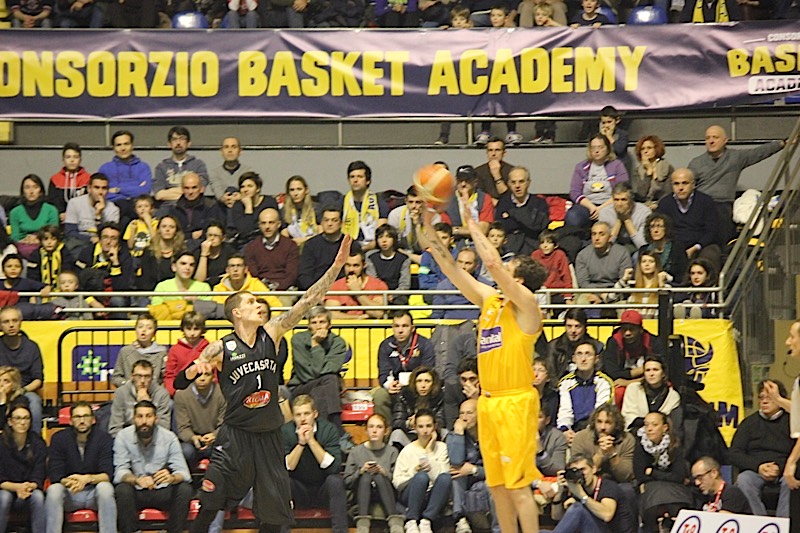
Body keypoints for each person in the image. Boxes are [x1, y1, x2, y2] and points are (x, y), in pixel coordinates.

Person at [174, 233, 352, 533]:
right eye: (251, 301)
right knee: (210, 503)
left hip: (269, 437)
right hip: (235, 436)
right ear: (237, 313)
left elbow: (308, 300)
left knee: (273, 515)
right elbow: (181, 381)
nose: (258, 305)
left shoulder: (272, 332)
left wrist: (336, 267)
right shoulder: (220, 348)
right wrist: (195, 370)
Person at [417, 188, 548, 533]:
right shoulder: (491, 301)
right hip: (488, 404)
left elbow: (491, 263)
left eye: (509, 267)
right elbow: (450, 268)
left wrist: (471, 222)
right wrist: (428, 224)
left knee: (518, 487)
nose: (501, 269)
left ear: (519, 280)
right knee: (497, 486)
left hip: (516, 402)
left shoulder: (528, 307)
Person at [113, 400, 194, 533]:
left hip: (162, 490)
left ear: (156, 419)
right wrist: (136, 480)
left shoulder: (169, 437)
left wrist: (172, 478)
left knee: (184, 489)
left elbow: (184, 473)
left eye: (149, 416)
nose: (144, 421)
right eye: (140, 416)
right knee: (122, 489)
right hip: (137, 491)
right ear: (133, 419)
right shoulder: (123, 436)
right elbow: (120, 471)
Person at [46, 401, 116, 533]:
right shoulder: (59, 438)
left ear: (93, 419)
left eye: (86, 416)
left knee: (106, 488)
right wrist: (74, 481)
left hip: (93, 494)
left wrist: (87, 479)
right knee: (54, 490)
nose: (82, 421)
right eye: (77, 417)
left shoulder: (104, 438)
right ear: (71, 421)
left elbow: (107, 474)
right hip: (70, 492)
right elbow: (55, 474)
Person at [281, 394, 348, 533]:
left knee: (335, 481)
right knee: (282, 482)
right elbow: (286, 468)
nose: (303, 419)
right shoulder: (286, 432)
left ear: (315, 414)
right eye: (298, 415)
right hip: (299, 490)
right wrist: (301, 444)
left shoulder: (328, 429)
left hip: (323, 489)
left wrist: (311, 441)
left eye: (306, 413)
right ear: (293, 417)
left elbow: (334, 467)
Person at [729, 379, 793, 518]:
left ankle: (783, 524)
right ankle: (760, 522)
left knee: (790, 480)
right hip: (756, 470)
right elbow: (734, 453)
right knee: (744, 479)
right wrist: (758, 467)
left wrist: (779, 467)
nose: (764, 401)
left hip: (784, 469)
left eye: (769, 397)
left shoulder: (791, 421)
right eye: (761, 397)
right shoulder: (749, 423)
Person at [288, 305, 348, 432]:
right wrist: (315, 344)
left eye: (322, 322)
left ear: (329, 325)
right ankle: (337, 430)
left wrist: (315, 348)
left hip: (323, 387)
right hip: (300, 387)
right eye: (314, 322)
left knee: (322, 388)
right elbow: (306, 375)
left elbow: (330, 368)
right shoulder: (298, 339)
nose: (318, 326)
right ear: (308, 325)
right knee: (330, 379)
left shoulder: (338, 343)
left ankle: (321, 433)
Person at [392, 408, 452, 533]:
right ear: (415, 428)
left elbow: (442, 476)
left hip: (434, 495)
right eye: (421, 426)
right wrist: (414, 471)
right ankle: (411, 520)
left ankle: (427, 520)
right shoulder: (408, 450)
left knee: (446, 478)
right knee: (421, 477)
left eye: (428, 426)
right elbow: (397, 482)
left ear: (435, 427)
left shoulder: (442, 447)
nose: (425, 430)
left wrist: (429, 451)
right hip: (411, 493)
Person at [343, 413, 403, 533]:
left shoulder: (392, 451)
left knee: (379, 476)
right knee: (366, 476)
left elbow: (398, 481)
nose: (374, 431)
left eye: (379, 427)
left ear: (386, 431)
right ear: (366, 430)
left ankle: (394, 523)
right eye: (371, 427)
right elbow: (347, 481)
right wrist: (361, 471)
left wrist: (384, 472)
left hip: (386, 492)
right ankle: (362, 523)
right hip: (361, 492)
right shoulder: (356, 451)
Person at [634, 411, 692, 533]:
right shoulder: (640, 444)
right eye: (646, 425)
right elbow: (640, 475)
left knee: (675, 506)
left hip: (675, 489)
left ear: (665, 427)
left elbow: (679, 477)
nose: (649, 429)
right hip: (654, 490)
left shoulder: (675, 444)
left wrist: (653, 473)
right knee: (653, 507)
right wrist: (666, 476)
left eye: (654, 424)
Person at [656, 168, 723, 272]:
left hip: (702, 244)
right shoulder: (664, 203)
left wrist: (696, 247)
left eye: (685, 183)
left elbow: (712, 231)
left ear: (693, 184)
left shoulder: (706, 201)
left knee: (710, 254)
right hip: (675, 245)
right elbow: (663, 230)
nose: (680, 188)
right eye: (676, 184)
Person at [374, 310, 436, 423]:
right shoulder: (385, 345)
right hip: (396, 388)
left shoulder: (425, 344)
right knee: (379, 396)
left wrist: (411, 384)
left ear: (412, 328)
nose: (400, 330)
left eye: (405, 326)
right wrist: (389, 385)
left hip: (418, 387)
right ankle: (387, 430)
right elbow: (383, 372)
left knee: (425, 391)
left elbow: (427, 371)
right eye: (396, 326)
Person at [549, 454, 637, 533]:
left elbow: (607, 515)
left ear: (594, 469)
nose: (580, 474)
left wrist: (582, 496)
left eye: (583, 469)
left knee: (578, 508)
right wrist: (559, 492)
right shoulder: (575, 486)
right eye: (575, 471)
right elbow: (556, 517)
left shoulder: (608, 486)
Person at [566, 134, 629, 231]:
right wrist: (592, 207)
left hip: (610, 204)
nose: (596, 151)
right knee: (573, 216)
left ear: (607, 148)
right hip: (587, 205)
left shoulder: (617, 165)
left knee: (612, 216)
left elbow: (623, 190)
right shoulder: (581, 167)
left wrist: (601, 208)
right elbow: (575, 192)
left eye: (600, 147)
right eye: (593, 148)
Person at [447, 398, 491, 533]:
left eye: (469, 413)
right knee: (456, 473)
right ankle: (460, 519)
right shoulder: (454, 435)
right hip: (465, 481)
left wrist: (474, 470)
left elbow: (499, 469)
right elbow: (456, 461)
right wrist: (459, 433)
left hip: (487, 477)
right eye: (461, 413)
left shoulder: (491, 435)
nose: (464, 418)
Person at [0, 403, 46, 532]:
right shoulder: (1, 443)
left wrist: (28, 486)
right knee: (4, 497)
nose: (22, 422)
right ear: (10, 421)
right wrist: (17, 487)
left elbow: (39, 474)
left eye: (26, 418)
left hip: (29, 490)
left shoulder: (38, 443)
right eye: (18, 418)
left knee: (38, 497)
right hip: (6, 489)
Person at [556, 342, 614, 442]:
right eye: (579, 354)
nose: (583, 359)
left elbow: (601, 414)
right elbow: (565, 411)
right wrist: (565, 430)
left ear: (596, 359)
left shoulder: (604, 382)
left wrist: (583, 435)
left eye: (588, 354)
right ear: (574, 359)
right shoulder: (565, 382)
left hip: (596, 432)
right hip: (572, 432)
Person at [0, 306, 43, 434]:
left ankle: (35, 440)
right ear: (0, 325)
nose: (11, 325)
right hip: (0, 388)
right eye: (6, 321)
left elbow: (38, 380)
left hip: (24, 391)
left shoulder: (32, 347)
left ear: (20, 322)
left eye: (14, 320)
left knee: (34, 401)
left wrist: (21, 390)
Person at [174, 364, 226, 468]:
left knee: (226, 449)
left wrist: (214, 436)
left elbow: (225, 424)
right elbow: (182, 428)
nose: (202, 378)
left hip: (215, 440)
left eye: (207, 374)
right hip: (192, 441)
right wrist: (193, 438)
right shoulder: (181, 395)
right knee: (185, 451)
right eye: (198, 375)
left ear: (213, 377)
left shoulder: (222, 393)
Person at [298, 206, 361, 290]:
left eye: (334, 220)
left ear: (341, 223)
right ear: (321, 223)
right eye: (326, 220)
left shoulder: (351, 244)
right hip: (315, 290)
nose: (329, 224)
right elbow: (304, 275)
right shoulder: (310, 245)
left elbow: (356, 272)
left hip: (343, 291)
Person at [493, 166, 550, 256]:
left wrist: (512, 215)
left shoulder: (539, 202)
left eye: (521, 181)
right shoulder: (504, 202)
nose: (517, 186)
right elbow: (501, 226)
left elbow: (540, 226)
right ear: (508, 184)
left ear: (528, 183)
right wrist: (527, 220)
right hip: (509, 246)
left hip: (533, 246)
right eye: (513, 182)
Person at [574, 221, 633, 307]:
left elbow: (623, 280)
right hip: (591, 292)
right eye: (594, 234)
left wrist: (609, 296)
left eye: (601, 234)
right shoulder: (582, 255)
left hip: (616, 291)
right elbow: (583, 283)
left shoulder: (622, 253)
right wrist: (601, 295)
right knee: (582, 302)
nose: (597, 238)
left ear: (610, 237)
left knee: (623, 305)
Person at [97, 130, 152, 220]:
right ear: (113, 148)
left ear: (132, 145)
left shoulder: (143, 167)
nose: (123, 148)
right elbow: (103, 194)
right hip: (114, 206)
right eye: (119, 145)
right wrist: (134, 189)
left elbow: (145, 191)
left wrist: (118, 190)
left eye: (126, 144)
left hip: (137, 207)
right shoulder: (105, 168)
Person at [108, 358, 172, 437]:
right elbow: (115, 428)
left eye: (147, 376)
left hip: (154, 438)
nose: (142, 381)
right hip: (127, 438)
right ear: (132, 377)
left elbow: (164, 428)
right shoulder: (121, 393)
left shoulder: (162, 394)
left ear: (152, 378)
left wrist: (147, 405)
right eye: (139, 376)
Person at [243, 207, 300, 292]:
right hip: (260, 290)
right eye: (263, 223)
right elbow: (253, 275)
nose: (267, 227)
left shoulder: (290, 246)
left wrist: (276, 289)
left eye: (271, 223)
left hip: (285, 291)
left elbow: (292, 275)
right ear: (259, 225)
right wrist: (265, 289)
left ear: (278, 224)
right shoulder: (251, 247)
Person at [164, 172, 225, 250]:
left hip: (205, 247)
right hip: (179, 247)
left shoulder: (211, 206)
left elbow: (212, 232)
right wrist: (192, 235)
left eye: (194, 187)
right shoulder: (175, 208)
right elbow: (173, 234)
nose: (190, 192)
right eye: (187, 188)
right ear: (182, 189)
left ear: (201, 188)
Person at [621, 355, 682, 433]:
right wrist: (652, 423)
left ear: (663, 373)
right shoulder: (633, 389)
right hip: (634, 432)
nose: (651, 374)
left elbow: (667, 422)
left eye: (655, 370)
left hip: (661, 435)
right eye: (648, 370)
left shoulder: (673, 396)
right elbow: (628, 417)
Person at [64, 173, 120, 255]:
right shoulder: (74, 203)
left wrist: (98, 215)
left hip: (102, 245)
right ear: (89, 188)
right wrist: (90, 239)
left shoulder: (113, 209)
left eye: (104, 188)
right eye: (96, 188)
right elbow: (70, 231)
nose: (100, 192)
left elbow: (110, 235)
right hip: (79, 242)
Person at [603, 310, 659, 391]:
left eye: (632, 329)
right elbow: (611, 373)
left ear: (640, 330)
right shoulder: (614, 342)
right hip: (622, 383)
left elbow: (660, 373)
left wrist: (628, 382)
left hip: (648, 382)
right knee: (618, 391)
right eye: (624, 329)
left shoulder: (653, 342)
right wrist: (642, 370)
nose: (627, 333)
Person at [430, 248, 493, 320]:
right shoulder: (444, 286)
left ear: (476, 265)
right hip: (449, 325)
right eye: (460, 262)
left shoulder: (486, 286)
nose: (463, 267)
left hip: (476, 324)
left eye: (468, 263)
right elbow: (437, 314)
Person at [390, 365, 446, 447]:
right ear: (414, 383)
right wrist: (409, 423)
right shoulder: (404, 395)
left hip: (432, 433)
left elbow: (441, 421)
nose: (423, 385)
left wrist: (424, 421)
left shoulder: (440, 397)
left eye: (427, 381)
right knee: (396, 434)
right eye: (419, 381)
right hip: (410, 435)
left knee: (445, 432)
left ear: (433, 383)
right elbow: (396, 422)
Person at [153, 126, 209, 204]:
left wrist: (170, 191)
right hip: (168, 207)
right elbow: (159, 195)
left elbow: (200, 190)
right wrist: (187, 192)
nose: (178, 143)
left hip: (193, 206)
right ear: (169, 144)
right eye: (174, 139)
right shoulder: (161, 167)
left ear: (189, 143)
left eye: (182, 139)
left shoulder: (198, 165)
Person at [324, 250, 388, 319]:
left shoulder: (378, 285)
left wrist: (358, 292)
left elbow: (378, 313)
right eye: (348, 265)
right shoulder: (336, 285)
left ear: (364, 265)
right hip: (346, 325)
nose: (351, 269)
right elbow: (331, 315)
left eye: (356, 265)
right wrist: (358, 318)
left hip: (372, 325)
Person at [342, 160, 389, 252]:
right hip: (346, 248)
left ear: (368, 181)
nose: (355, 180)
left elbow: (381, 234)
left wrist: (363, 249)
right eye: (352, 177)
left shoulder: (379, 202)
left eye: (359, 177)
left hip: (373, 248)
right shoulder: (342, 202)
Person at [111, 312, 167, 388]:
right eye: (140, 327)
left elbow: (166, 377)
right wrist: (128, 385)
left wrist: (156, 390)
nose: (144, 330)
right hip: (130, 392)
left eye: (149, 328)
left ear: (154, 333)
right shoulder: (125, 351)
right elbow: (116, 377)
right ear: (135, 329)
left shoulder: (162, 352)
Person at [10, 174, 60, 258]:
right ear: (23, 191)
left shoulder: (51, 210)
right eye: (27, 187)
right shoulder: (15, 212)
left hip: (46, 244)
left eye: (35, 187)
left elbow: (54, 232)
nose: (31, 191)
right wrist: (26, 240)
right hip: (23, 246)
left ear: (41, 190)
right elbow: (15, 236)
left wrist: (38, 238)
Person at [546, 308, 604, 380]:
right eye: (569, 326)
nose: (573, 330)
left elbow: (598, 374)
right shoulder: (554, 346)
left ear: (584, 327)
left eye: (577, 326)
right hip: (559, 385)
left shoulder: (597, 347)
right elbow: (551, 375)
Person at [227, 172, 280, 250]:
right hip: (245, 244)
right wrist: (248, 207)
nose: (245, 190)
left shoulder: (269, 202)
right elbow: (245, 232)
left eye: (250, 186)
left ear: (258, 189)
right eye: (242, 187)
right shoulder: (238, 206)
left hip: (267, 241)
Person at [164, 311, 210, 396]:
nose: (192, 333)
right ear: (183, 328)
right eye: (188, 328)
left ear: (202, 329)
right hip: (180, 392)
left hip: (205, 391)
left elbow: (215, 374)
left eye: (196, 329)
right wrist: (174, 392)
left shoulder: (209, 348)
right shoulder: (174, 350)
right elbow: (169, 375)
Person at [137, 215, 187, 292]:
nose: (167, 229)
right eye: (164, 226)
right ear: (159, 230)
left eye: (171, 227)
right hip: (152, 293)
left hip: (175, 293)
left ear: (176, 231)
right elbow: (145, 280)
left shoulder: (181, 253)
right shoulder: (148, 252)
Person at [443, 166, 494, 240]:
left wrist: (456, 230)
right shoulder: (446, 199)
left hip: (478, 241)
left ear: (475, 182)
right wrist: (471, 230)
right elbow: (445, 229)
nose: (463, 184)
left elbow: (483, 230)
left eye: (467, 180)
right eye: (460, 180)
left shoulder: (484, 198)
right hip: (455, 242)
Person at [613, 251, 668, 319]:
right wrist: (623, 280)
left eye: (651, 261)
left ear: (656, 264)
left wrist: (661, 285)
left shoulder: (665, 286)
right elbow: (610, 298)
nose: (647, 264)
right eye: (644, 261)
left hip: (655, 323)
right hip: (633, 324)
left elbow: (666, 311)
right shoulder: (632, 286)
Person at [598, 182, 651, 252]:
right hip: (613, 248)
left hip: (635, 248)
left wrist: (627, 220)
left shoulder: (644, 212)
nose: (619, 204)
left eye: (623, 200)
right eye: (616, 200)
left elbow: (643, 246)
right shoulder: (605, 212)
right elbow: (605, 245)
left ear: (631, 200)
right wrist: (619, 220)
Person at [366, 224, 411, 305]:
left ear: (394, 239)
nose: (384, 240)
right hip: (377, 293)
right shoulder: (371, 257)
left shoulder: (404, 259)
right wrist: (383, 295)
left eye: (388, 237)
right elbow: (373, 280)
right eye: (380, 237)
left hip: (397, 295)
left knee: (401, 301)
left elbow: (405, 284)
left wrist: (392, 295)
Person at [637, 212, 688, 284]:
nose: (656, 230)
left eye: (659, 226)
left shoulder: (677, 249)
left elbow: (683, 275)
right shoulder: (644, 250)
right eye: (652, 227)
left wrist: (669, 278)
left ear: (666, 229)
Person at [48, 142, 90, 220]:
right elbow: (52, 201)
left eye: (75, 157)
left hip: (82, 218)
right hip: (61, 219)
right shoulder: (55, 179)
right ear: (63, 160)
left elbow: (89, 201)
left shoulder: (88, 179)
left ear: (80, 160)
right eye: (68, 157)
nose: (72, 160)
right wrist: (60, 213)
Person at [207, 136, 254, 202]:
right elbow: (218, 193)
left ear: (240, 151)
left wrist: (240, 197)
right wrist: (225, 198)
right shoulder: (214, 173)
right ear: (221, 151)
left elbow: (248, 192)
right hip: (221, 206)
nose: (230, 150)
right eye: (226, 147)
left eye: (234, 147)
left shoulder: (248, 171)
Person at [632, 135, 673, 209]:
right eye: (642, 149)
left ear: (656, 149)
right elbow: (640, 194)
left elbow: (667, 192)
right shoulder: (637, 170)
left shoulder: (666, 167)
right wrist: (649, 172)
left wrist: (657, 204)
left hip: (663, 205)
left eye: (649, 148)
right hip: (643, 206)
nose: (645, 151)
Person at [281, 175, 320, 248]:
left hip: (314, 246)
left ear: (306, 190)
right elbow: (284, 235)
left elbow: (321, 232)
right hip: (293, 248)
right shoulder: (284, 210)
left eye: (299, 189)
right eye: (292, 190)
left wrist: (303, 240)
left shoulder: (316, 208)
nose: (295, 193)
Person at [194, 221, 236, 288]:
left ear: (223, 238)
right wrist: (204, 255)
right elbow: (199, 281)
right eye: (209, 235)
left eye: (216, 236)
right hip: (204, 289)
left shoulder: (230, 252)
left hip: (224, 287)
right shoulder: (197, 252)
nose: (212, 238)